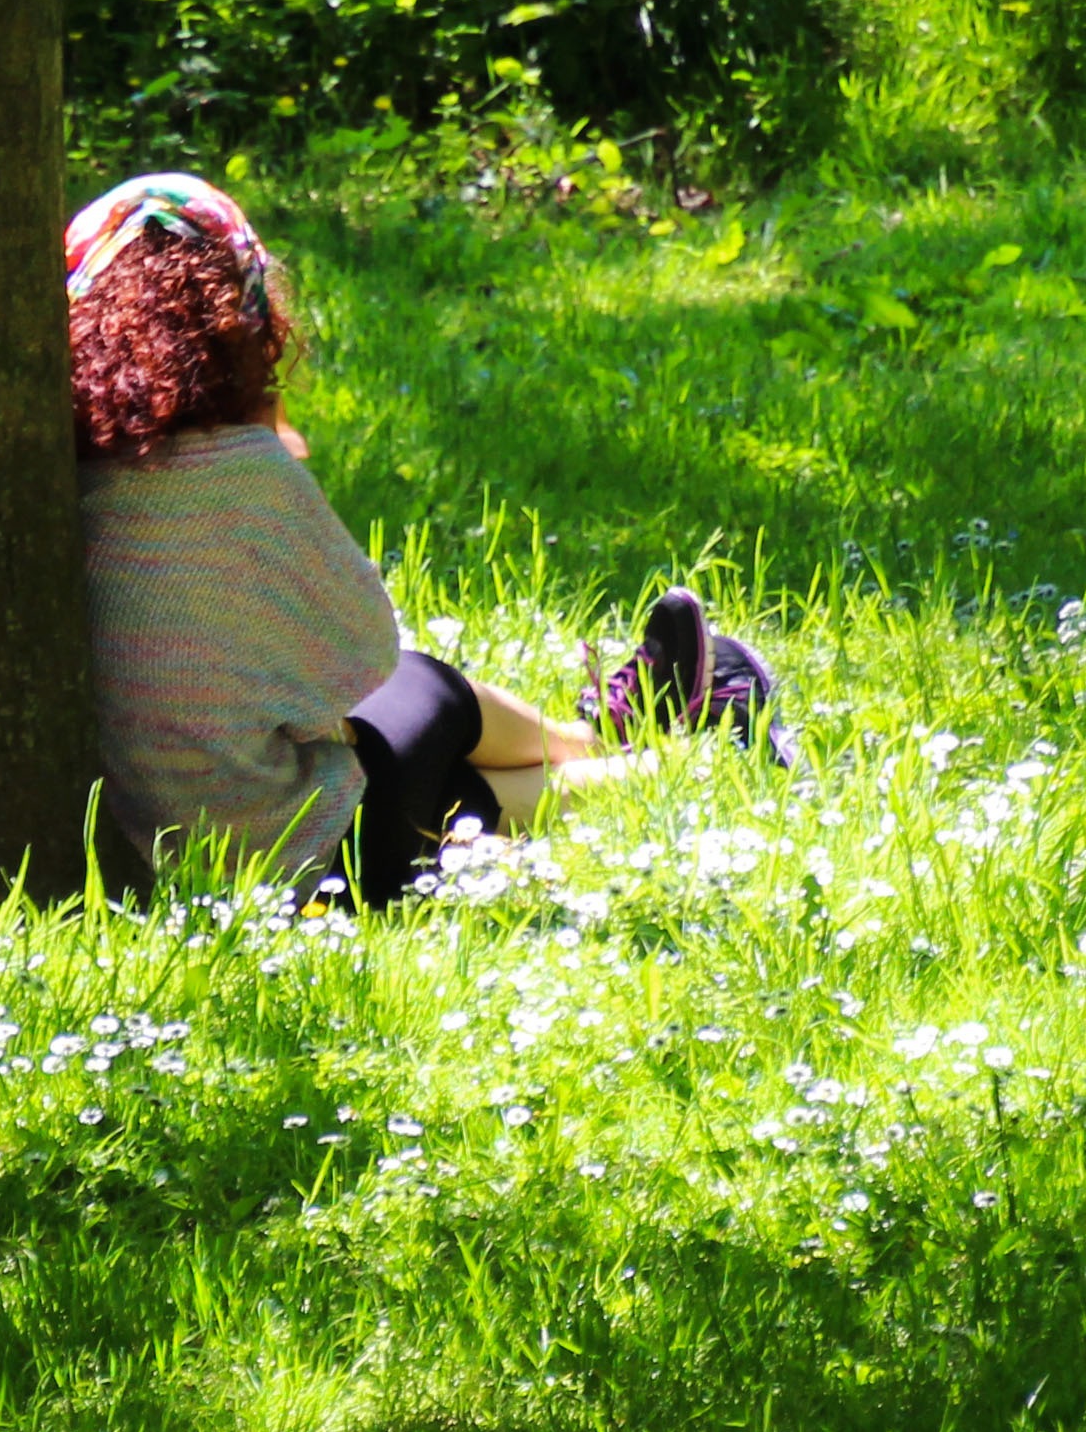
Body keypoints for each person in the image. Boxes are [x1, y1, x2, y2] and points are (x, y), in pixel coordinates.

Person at [64, 171, 776, 901]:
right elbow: (366, 662)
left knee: (435, 771)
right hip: (305, 856)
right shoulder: (237, 471)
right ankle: (667, 752)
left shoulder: (66, 476)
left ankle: (627, 742)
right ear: (240, 320)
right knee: (421, 691)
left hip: (157, 848)